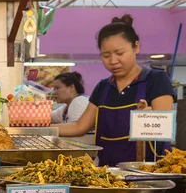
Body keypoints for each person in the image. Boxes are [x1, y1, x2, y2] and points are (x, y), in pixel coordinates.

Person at [55, 15, 174, 166]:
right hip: (110, 173)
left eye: (119, 53)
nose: (113, 61)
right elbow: (80, 126)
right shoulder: (103, 87)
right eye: (106, 55)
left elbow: (162, 126)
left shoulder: (156, 80)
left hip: (150, 172)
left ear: (136, 47)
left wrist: (147, 114)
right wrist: (39, 130)